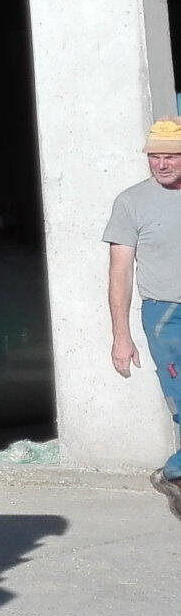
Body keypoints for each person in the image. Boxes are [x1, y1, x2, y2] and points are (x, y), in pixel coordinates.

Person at [104, 115, 181, 517]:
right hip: (167, 316)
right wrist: (121, 335)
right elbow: (119, 271)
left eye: (171, 156)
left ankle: (174, 474)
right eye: (155, 157)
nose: (161, 164)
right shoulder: (131, 202)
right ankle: (174, 473)